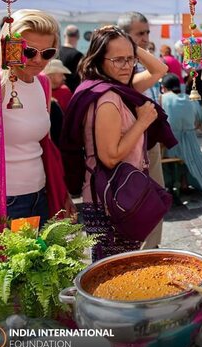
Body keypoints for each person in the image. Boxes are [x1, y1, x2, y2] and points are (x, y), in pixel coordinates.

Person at [62, 26, 174, 260]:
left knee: (117, 265)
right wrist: (142, 121)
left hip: (114, 192)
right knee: (115, 269)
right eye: (117, 59)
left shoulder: (114, 87)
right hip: (110, 198)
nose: (126, 66)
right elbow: (110, 156)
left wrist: (131, 45)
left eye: (130, 60)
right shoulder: (107, 99)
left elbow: (159, 69)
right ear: (99, 59)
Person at [0, 10, 60, 224]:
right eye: (29, 51)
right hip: (4, 200)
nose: (38, 60)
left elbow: (46, 144)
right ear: (10, 46)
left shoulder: (43, 83)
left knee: (38, 258)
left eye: (47, 53)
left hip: (40, 193)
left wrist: (60, 192)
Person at [117, 12, 166, 249]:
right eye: (140, 33)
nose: (146, 38)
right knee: (138, 205)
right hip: (128, 148)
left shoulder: (134, 70)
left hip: (147, 143)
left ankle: (150, 252)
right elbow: (159, 69)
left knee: (154, 201)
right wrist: (127, 44)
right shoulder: (122, 78)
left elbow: (159, 68)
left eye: (147, 32)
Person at [160, 73, 202, 198]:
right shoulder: (190, 98)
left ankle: (171, 184)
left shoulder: (162, 98)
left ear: (164, 87)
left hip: (170, 142)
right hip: (191, 143)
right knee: (189, 157)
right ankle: (185, 183)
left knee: (165, 155)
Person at [59, 24, 83, 92]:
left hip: (52, 94)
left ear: (64, 35)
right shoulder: (78, 55)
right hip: (70, 94)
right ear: (78, 37)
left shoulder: (55, 52)